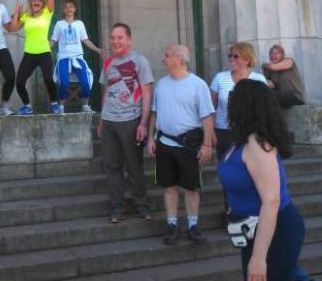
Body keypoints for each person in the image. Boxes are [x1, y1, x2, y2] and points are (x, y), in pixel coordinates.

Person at [218, 79, 305, 281]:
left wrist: (259, 257)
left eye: (234, 97)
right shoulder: (241, 139)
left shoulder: (257, 144)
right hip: (252, 229)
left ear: (245, 104)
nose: (229, 101)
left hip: (275, 231)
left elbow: (271, 200)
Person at [147, 45, 215, 245]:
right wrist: (151, 138)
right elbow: (154, 113)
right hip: (165, 143)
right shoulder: (161, 84)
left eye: (166, 55)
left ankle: (193, 225)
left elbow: (207, 117)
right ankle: (172, 224)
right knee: (169, 187)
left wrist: (207, 145)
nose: (162, 59)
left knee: (191, 187)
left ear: (178, 58)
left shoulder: (198, 85)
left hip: (189, 145)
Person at [97, 23, 153, 223]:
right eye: (112, 38)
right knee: (112, 166)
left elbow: (147, 93)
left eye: (120, 37)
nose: (115, 41)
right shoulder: (108, 63)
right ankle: (117, 208)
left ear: (129, 39)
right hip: (110, 121)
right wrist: (102, 120)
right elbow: (106, 92)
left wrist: (143, 123)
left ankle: (142, 206)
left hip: (131, 120)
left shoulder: (140, 61)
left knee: (134, 166)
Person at [9, 0, 60, 115]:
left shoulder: (47, 12)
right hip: (29, 53)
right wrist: (17, 13)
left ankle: (54, 103)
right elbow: (12, 28)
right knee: (19, 82)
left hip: (44, 52)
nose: (37, 1)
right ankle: (27, 106)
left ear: (43, 3)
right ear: (30, 3)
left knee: (48, 80)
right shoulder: (26, 16)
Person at [210, 42, 267, 160]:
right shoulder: (220, 77)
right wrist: (210, 131)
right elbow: (211, 107)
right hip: (224, 131)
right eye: (230, 56)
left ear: (247, 59)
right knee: (227, 165)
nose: (231, 59)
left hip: (251, 132)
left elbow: (264, 108)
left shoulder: (259, 79)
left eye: (236, 56)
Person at [49, 0, 104, 114]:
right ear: (63, 10)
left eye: (71, 6)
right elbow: (53, 41)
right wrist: (43, 49)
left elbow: (86, 40)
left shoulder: (79, 24)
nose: (69, 9)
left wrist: (97, 49)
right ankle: (61, 107)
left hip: (78, 58)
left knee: (85, 82)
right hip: (64, 58)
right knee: (64, 83)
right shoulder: (59, 24)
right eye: (66, 7)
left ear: (75, 9)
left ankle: (85, 106)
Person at [262, 44, 305, 108]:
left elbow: (273, 67)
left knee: (265, 97)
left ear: (282, 54)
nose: (273, 56)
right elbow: (266, 83)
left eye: (276, 53)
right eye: (271, 54)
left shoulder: (289, 61)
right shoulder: (272, 72)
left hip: (296, 96)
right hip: (283, 96)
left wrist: (264, 65)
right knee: (260, 95)